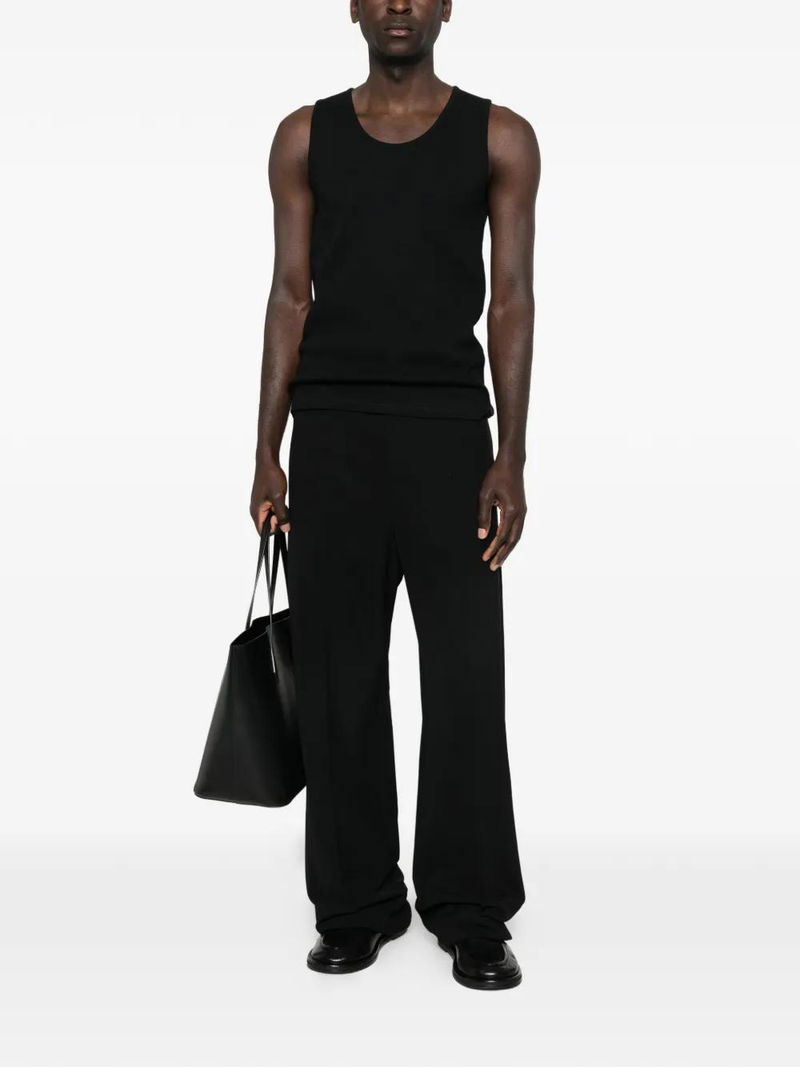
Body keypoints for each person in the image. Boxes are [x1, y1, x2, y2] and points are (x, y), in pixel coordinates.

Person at [249, 0, 540, 991]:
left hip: (450, 436)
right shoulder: (304, 137)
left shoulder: (499, 137)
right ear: (355, 7)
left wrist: (511, 454)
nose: (400, 5)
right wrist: (267, 450)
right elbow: (289, 293)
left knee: (465, 674)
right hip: (331, 433)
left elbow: (511, 298)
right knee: (337, 676)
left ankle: (470, 907)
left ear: (446, 4)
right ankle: (355, 902)